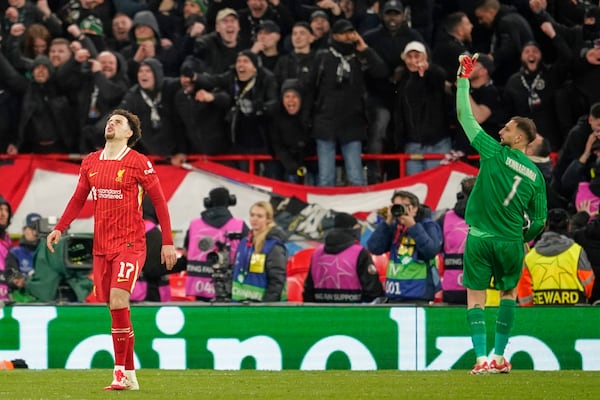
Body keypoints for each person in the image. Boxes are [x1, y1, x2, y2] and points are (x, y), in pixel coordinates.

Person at [45, 109, 177, 391]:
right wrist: (60, 227)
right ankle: (130, 375)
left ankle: (118, 372)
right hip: (102, 246)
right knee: (116, 308)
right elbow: (79, 197)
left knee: (118, 299)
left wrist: (167, 241)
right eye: (109, 121)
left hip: (130, 244)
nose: (111, 123)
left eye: (118, 122)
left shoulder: (139, 163)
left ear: (129, 133)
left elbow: (160, 202)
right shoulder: (91, 162)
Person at [456, 53, 547, 375]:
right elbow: (539, 220)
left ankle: (481, 359)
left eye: (507, 128)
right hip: (510, 242)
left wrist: (462, 79)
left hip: (480, 238)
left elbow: (466, 118)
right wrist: (524, 238)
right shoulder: (537, 177)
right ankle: (499, 356)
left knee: (476, 298)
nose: (501, 131)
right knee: (508, 293)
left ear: (519, 138)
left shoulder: (494, 153)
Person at [307, 18, 387, 186]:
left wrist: (365, 49)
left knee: (356, 176)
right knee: (326, 178)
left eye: (351, 32)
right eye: (344, 33)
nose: (349, 36)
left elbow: (382, 72)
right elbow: (309, 88)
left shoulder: (359, 57)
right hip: (325, 122)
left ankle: (358, 212)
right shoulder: (323, 57)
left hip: (352, 123)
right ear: (335, 35)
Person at [367, 190, 443, 303]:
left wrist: (413, 226)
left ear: (415, 208)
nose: (400, 210)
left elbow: (430, 251)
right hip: (394, 292)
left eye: (405, 206)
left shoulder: (428, 225)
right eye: (396, 206)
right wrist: (387, 222)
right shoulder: (394, 227)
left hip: (418, 294)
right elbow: (374, 248)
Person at [182, 187, 249, 302]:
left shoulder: (194, 225)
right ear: (231, 201)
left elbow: (185, 252)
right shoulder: (240, 225)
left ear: (208, 202)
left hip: (200, 286)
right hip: (231, 285)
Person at [518, 208, 595, 306]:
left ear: (546, 227)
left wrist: (532, 311)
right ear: (569, 227)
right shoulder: (577, 251)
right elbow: (588, 284)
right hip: (573, 314)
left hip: (541, 315)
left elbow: (524, 292)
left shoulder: (530, 257)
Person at [303, 212, 383, 303]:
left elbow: (308, 290)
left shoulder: (317, 253)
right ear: (353, 230)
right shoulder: (359, 252)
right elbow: (373, 290)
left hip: (321, 312)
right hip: (353, 313)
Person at [231, 200, 287, 302]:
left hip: (261, 308)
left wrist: (265, 308)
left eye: (259, 216)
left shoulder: (274, 246)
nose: (254, 219)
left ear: (268, 219)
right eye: (252, 215)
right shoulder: (244, 242)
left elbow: (277, 281)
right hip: (239, 304)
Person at [437, 176, 476, 305]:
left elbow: (433, 249)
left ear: (460, 195)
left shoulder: (445, 218)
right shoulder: (493, 217)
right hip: (483, 286)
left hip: (452, 286)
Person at [4, 213, 41, 302]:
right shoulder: (15, 252)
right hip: (22, 300)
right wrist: (17, 280)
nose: (35, 232)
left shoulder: (48, 251)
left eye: (37, 229)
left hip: (47, 299)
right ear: (24, 230)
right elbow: (9, 276)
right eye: (32, 228)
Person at [0, 195, 14, 302]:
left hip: (5, 298)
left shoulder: (8, 239)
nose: (3, 214)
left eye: (6, 210)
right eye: (0, 209)